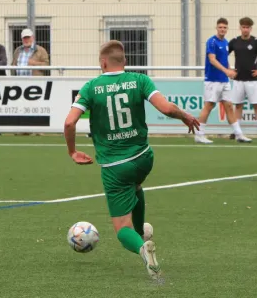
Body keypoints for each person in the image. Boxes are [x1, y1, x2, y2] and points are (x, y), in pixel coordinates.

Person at [64, 40, 200, 281]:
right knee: (136, 185)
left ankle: (140, 246)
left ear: (102, 63)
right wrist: (185, 116)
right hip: (143, 157)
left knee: (121, 229)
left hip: (115, 167)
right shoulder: (140, 80)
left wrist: (73, 151)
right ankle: (141, 233)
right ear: (124, 61)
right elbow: (167, 109)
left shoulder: (91, 87)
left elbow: (69, 122)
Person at [194, 18, 252, 144]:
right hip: (213, 80)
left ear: (227, 29)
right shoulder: (211, 41)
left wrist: (230, 70)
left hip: (224, 80)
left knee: (229, 106)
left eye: (225, 27)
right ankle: (199, 134)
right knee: (209, 106)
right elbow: (212, 60)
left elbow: (224, 60)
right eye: (220, 27)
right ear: (216, 28)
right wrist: (226, 71)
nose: (222, 29)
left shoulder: (226, 42)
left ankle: (238, 134)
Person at [228, 17, 257, 140]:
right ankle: (236, 132)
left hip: (252, 81)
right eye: (243, 27)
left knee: (256, 105)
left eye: (247, 27)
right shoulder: (234, 42)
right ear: (240, 28)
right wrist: (229, 70)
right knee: (238, 106)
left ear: (251, 28)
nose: (245, 29)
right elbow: (222, 55)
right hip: (238, 80)